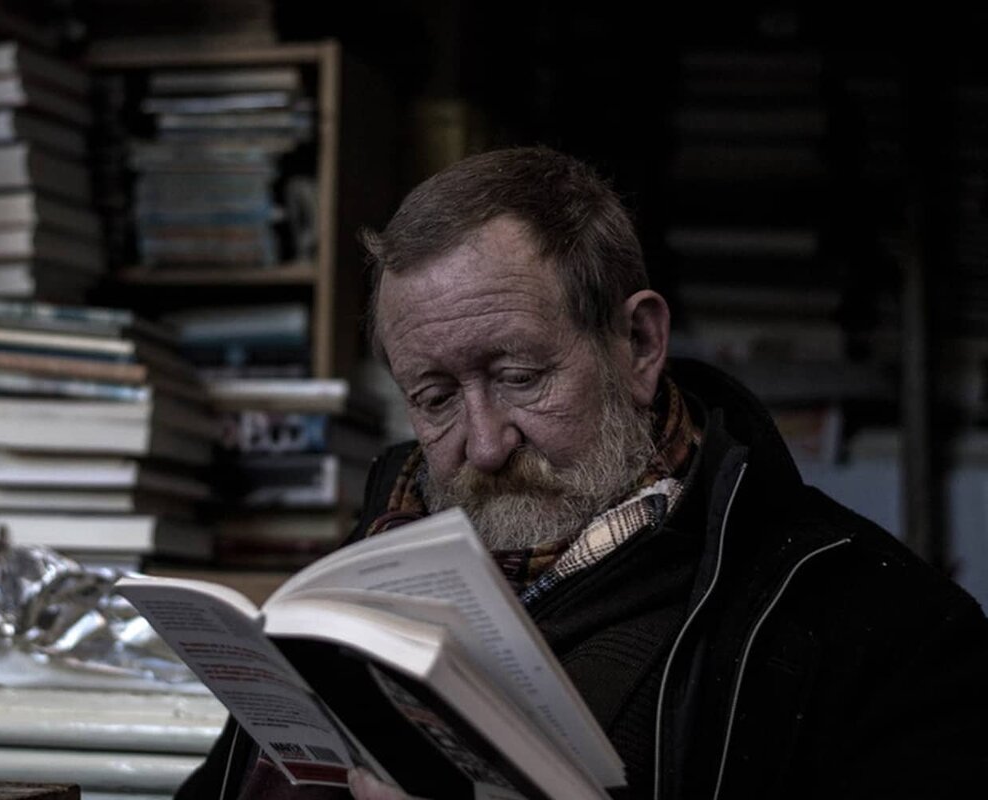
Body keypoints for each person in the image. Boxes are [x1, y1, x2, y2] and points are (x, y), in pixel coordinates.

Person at [180, 147, 988, 799]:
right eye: (435, 398)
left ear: (638, 345)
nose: (485, 445)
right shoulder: (358, 582)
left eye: (519, 376)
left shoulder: (887, 633)